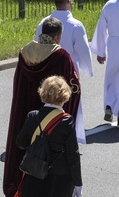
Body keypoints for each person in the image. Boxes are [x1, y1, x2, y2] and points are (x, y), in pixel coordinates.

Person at [4, 17, 80, 197]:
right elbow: (73, 87)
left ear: (41, 33)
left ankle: (17, 183)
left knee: (25, 140)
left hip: (26, 110)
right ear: (58, 36)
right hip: (51, 113)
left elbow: (19, 85)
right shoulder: (62, 56)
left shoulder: (24, 53)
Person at [35, 0, 94, 143]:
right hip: (67, 68)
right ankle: (68, 137)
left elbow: (38, 46)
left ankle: (46, 132)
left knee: (48, 100)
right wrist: (88, 69)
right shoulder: (76, 25)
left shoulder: (43, 23)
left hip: (47, 67)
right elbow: (83, 50)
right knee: (68, 102)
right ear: (69, 2)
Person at [90, 0, 119, 125]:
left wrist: (101, 51)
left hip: (114, 43)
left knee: (113, 77)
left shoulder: (109, 5)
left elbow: (102, 28)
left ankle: (109, 104)